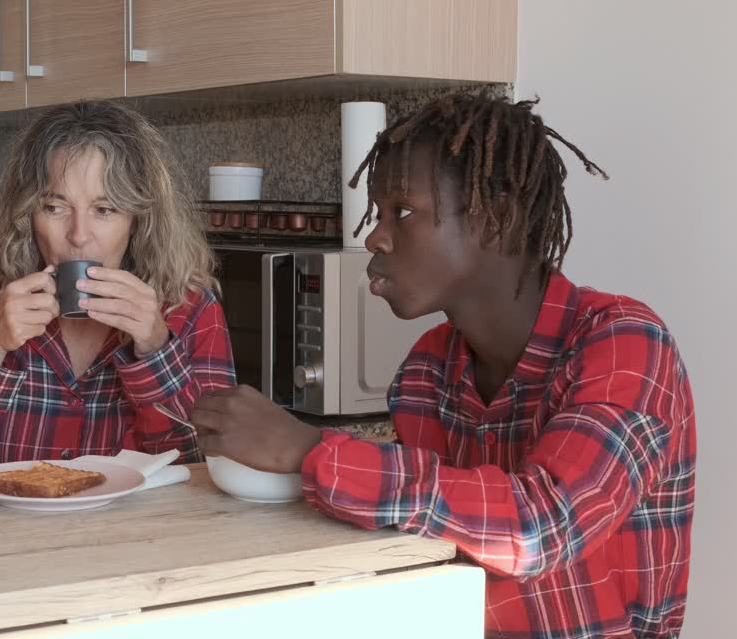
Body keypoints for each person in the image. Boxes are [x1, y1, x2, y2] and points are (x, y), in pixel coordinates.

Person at [192, 94, 695, 638]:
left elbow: (541, 528)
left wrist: (309, 451)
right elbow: (424, 542)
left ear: (497, 219)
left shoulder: (624, 343)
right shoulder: (427, 370)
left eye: (402, 212)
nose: (375, 237)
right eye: (378, 214)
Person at [0, 100, 234, 485]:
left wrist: (155, 347)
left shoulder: (190, 310)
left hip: (137, 542)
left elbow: (209, 476)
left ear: (139, 220)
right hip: (8, 541)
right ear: (26, 214)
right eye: (55, 207)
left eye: (105, 209)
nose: (79, 235)